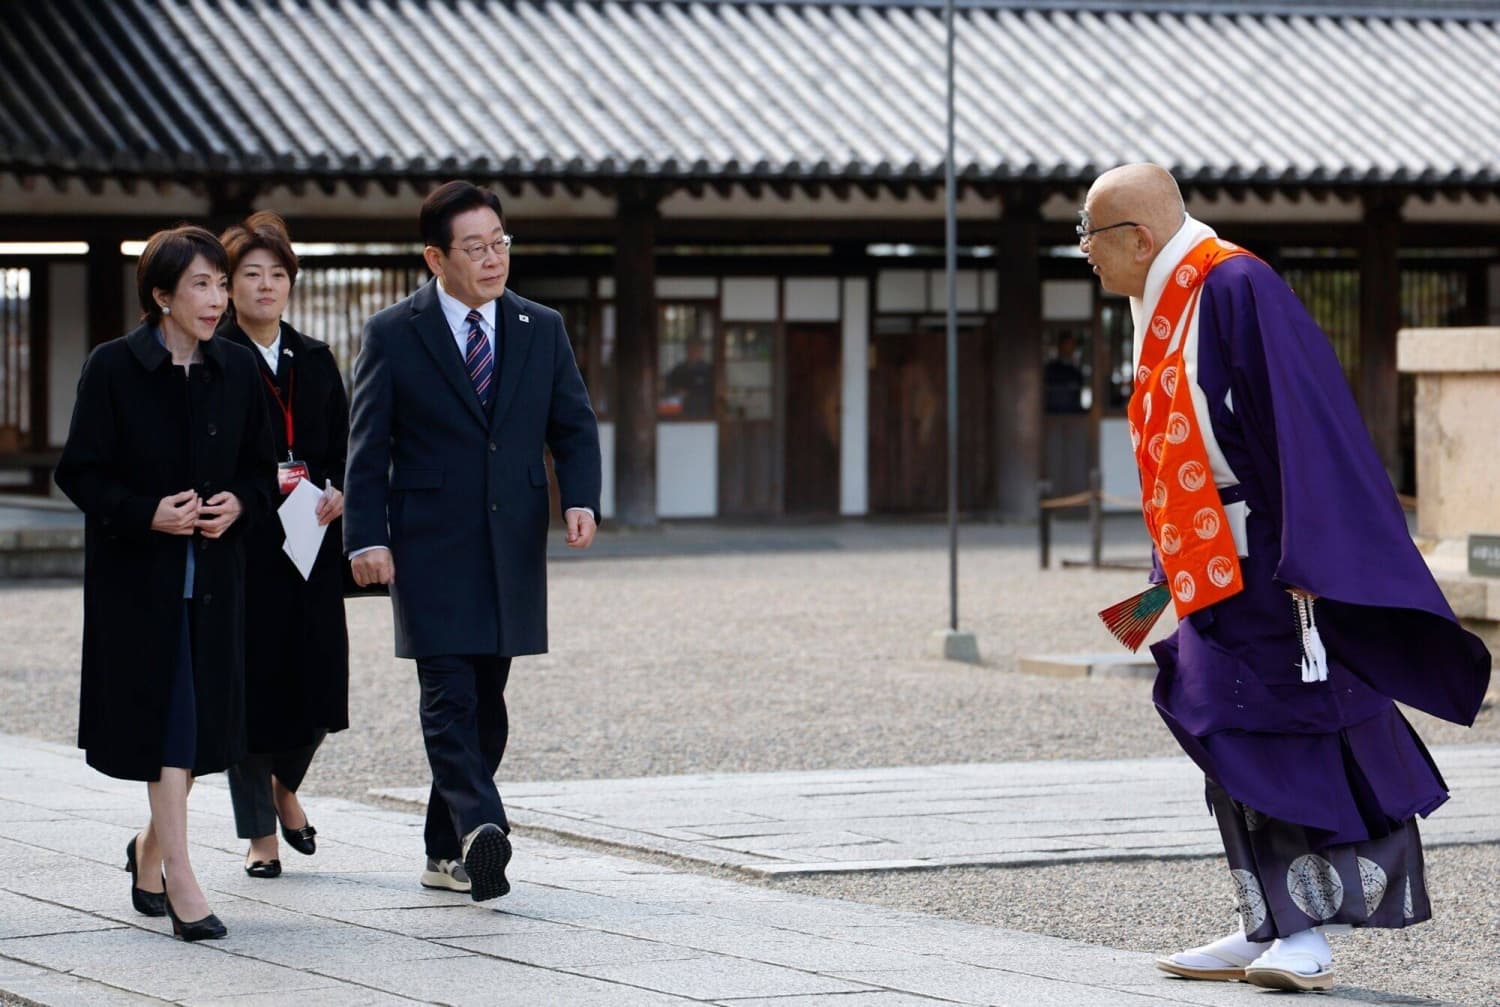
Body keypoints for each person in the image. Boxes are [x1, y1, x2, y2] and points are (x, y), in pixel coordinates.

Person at [1082, 164, 1491, 992]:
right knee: (1220, 730)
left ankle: (1307, 934)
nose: (1084, 252)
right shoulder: (1161, 303)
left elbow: (1309, 425)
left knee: (1287, 739)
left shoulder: (1236, 286)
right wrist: (1161, 578)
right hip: (1209, 567)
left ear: (1139, 237)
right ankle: (1261, 920)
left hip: (1274, 567)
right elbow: (1180, 455)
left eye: (1088, 235)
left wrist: (1314, 555)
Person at [344, 181, 601, 902]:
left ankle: (444, 849)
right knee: (447, 690)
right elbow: (367, 447)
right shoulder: (395, 332)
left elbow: (573, 424)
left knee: (488, 700)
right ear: (435, 256)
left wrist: (580, 497)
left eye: (501, 242)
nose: (493, 258)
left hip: (512, 540)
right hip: (427, 542)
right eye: (475, 247)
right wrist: (367, 535)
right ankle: (485, 824)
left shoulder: (539, 325)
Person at [55, 225, 277, 941]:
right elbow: (79, 472)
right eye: (203, 286)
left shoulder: (237, 368)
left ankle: (150, 850)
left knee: (196, 722)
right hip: (139, 582)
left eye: (222, 284)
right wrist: (146, 512)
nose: (218, 299)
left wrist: (239, 503)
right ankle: (181, 874)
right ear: (160, 296)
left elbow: (261, 468)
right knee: (171, 720)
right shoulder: (114, 367)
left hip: (215, 576)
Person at [218, 211, 350, 879]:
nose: (265, 286)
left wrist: (342, 492)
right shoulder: (212, 358)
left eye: (277, 274)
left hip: (311, 539)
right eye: (251, 275)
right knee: (248, 689)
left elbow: (345, 449)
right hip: (242, 544)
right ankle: (259, 835)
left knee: (320, 684)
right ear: (228, 285)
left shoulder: (318, 361)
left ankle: (285, 784)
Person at [664, 339, 715, 418]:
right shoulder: (678, 369)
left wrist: (690, 394)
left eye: (697, 349)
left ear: (702, 351)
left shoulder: (709, 370)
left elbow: (714, 395)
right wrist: (676, 391)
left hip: (703, 416)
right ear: (686, 350)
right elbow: (667, 387)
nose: (693, 351)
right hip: (679, 416)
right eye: (690, 348)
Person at [1042, 332, 1087, 414]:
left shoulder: (1076, 372)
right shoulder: (1050, 369)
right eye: (1067, 344)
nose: (1069, 348)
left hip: (1073, 415)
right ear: (1060, 346)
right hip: (1051, 414)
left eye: (1072, 345)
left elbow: (1078, 396)